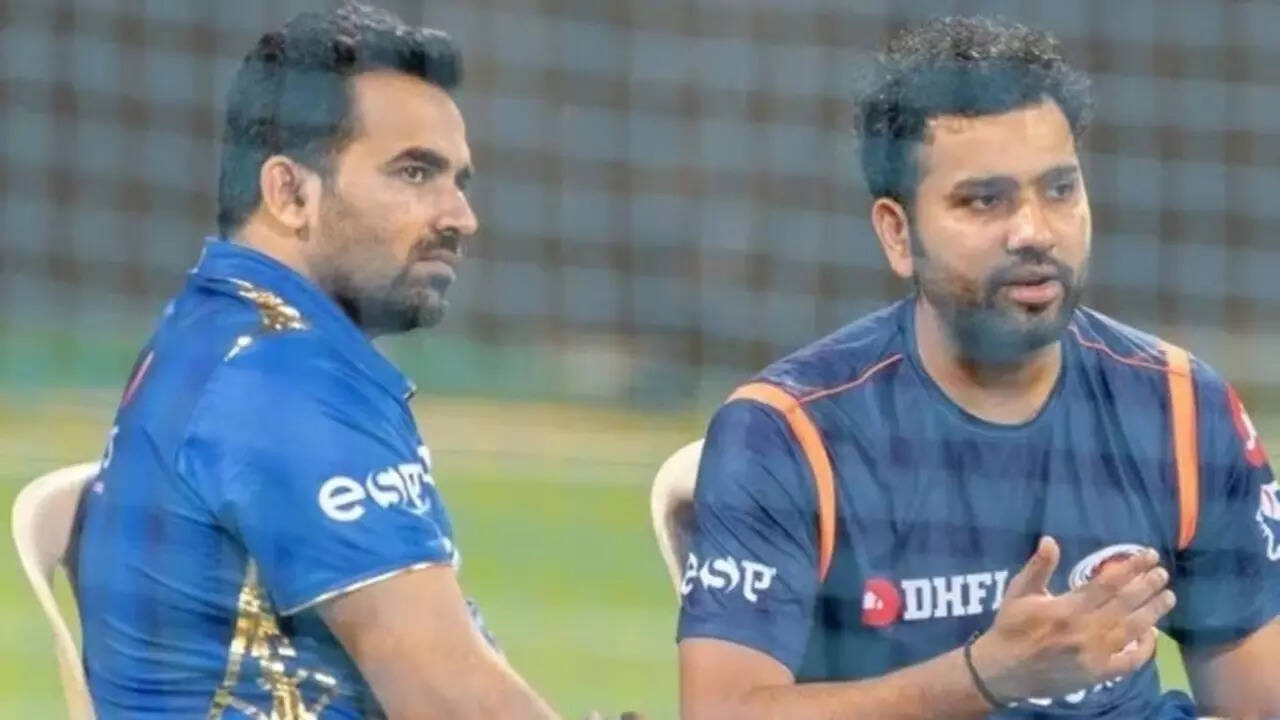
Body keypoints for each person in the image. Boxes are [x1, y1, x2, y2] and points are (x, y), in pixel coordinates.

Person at [675, 16, 1280, 719]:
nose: (1034, 231)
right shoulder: (788, 432)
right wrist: (985, 676)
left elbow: (1261, 703)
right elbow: (721, 712)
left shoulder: (1179, 407)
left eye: (1060, 190)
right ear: (897, 233)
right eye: (984, 201)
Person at [73, 4, 564, 718]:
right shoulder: (282, 380)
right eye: (415, 173)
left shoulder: (217, 325)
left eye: (459, 181)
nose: (460, 217)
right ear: (289, 192)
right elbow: (447, 695)